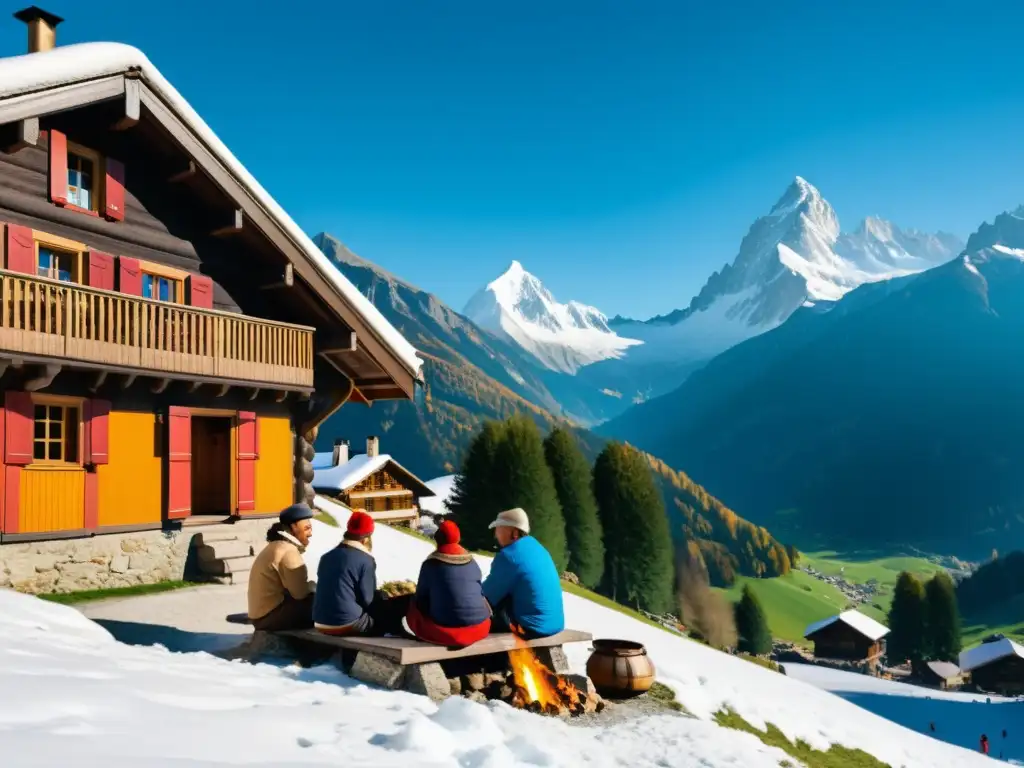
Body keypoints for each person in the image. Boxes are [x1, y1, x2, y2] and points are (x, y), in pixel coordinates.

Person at [313, 510, 409, 636]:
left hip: (320, 622)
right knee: (385, 612)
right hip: (347, 623)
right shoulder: (365, 560)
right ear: (366, 539)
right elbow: (368, 600)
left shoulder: (326, 557)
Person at [481, 507, 565, 639]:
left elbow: (485, 597)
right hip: (554, 624)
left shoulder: (509, 556)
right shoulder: (538, 548)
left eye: (499, 529)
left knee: (476, 617)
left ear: (514, 532)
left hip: (532, 629)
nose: (495, 534)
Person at [404, 520, 491, 648]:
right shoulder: (472, 561)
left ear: (438, 539)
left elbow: (420, 600)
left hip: (447, 632)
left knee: (412, 607)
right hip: (481, 628)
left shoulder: (431, 564)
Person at [247, 503, 316, 631]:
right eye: (307, 528)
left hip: (261, 616)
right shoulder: (288, 551)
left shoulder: (276, 546)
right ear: (294, 527)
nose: (310, 533)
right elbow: (300, 594)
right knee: (324, 601)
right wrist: (314, 587)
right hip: (270, 618)